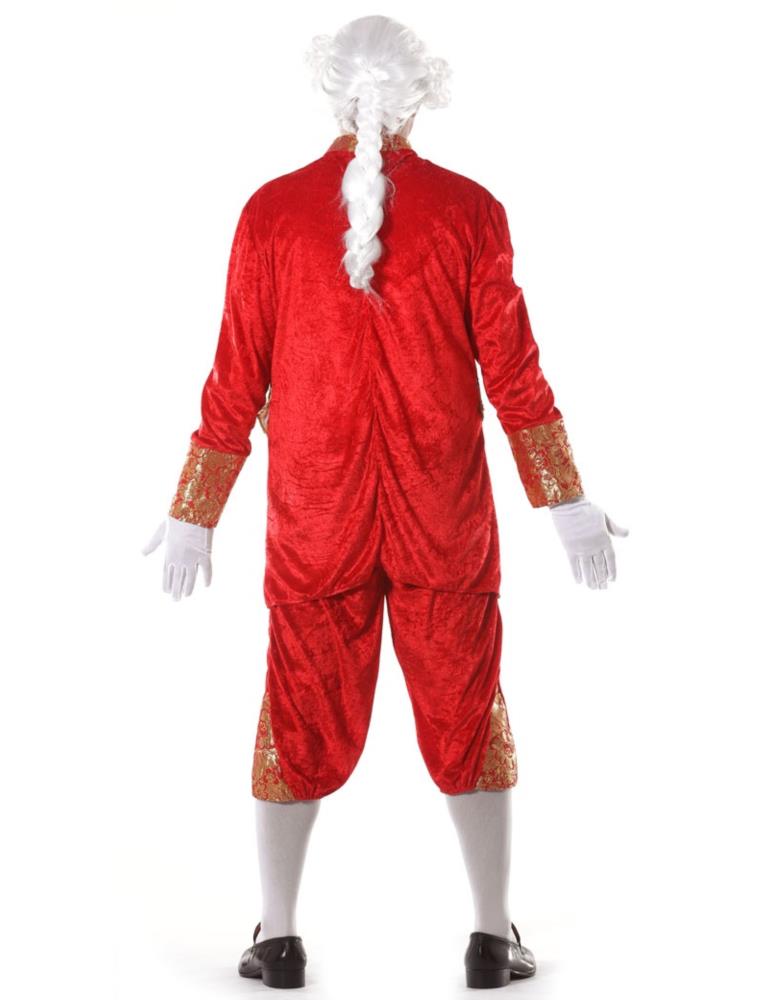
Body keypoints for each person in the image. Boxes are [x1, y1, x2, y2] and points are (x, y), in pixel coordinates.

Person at [143, 14, 628, 990]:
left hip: (313, 515)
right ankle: (489, 935)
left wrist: (196, 509)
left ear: (331, 92)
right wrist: (565, 500)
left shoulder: (271, 213)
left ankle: (278, 935)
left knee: (296, 709)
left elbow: (235, 376)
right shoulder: (469, 212)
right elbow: (515, 376)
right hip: (442, 515)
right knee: (467, 708)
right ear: (421, 95)